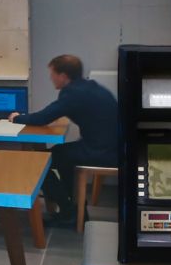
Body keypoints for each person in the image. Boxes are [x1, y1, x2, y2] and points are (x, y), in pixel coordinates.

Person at [11, 54, 119, 222]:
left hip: (103, 152)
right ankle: (75, 209)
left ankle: (69, 211)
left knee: (40, 162)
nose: (50, 78)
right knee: (62, 156)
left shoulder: (72, 94)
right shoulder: (89, 86)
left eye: (52, 74)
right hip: (113, 147)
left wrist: (17, 117)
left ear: (63, 76)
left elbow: (42, 118)